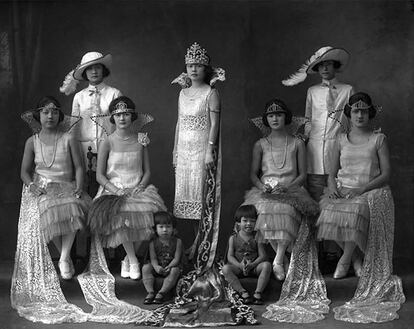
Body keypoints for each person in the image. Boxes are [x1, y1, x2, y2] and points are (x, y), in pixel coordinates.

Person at [315, 92, 405, 322]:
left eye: (364, 111)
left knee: (354, 212)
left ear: (370, 113)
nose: (360, 115)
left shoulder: (378, 139)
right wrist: (332, 186)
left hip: (369, 189)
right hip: (344, 189)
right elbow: (331, 174)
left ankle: (345, 260)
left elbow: (386, 174)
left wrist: (361, 189)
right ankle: (354, 257)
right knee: (329, 214)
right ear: (349, 114)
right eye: (355, 111)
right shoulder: (340, 140)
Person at [11, 96, 89, 323]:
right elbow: (25, 172)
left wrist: (79, 187)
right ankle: (65, 258)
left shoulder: (68, 139)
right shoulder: (31, 141)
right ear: (39, 116)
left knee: (74, 210)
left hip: (66, 186)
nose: (50, 116)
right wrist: (32, 185)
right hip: (42, 188)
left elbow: (79, 167)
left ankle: (64, 257)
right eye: (45, 112)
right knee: (47, 214)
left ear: (59, 116)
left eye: (54, 112)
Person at [87, 96, 166, 280]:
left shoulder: (141, 140)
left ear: (132, 117)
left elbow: (147, 171)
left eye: (126, 114)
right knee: (122, 214)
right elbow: (100, 175)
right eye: (118, 114)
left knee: (146, 214)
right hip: (113, 189)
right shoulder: (107, 142)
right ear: (112, 118)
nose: (122, 118)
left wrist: (140, 186)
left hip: (137, 188)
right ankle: (132, 259)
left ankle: (127, 259)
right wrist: (116, 190)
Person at [244, 99, 319, 281]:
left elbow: (302, 175)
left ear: (286, 118)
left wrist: (287, 187)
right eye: (271, 115)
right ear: (266, 119)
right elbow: (254, 174)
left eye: (279, 115)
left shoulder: (297, 143)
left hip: (291, 190)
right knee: (263, 212)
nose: (275, 119)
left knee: (285, 211)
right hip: (266, 192)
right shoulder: (260, 144)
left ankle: (277, 260)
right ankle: (283, 256)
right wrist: (263, 187)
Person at [172, 42, 225, 250]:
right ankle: (197, 243)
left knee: (203, 198)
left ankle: (200, 246)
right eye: (190, 65)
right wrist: (175, 149)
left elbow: (214, 125)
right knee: (190, 200)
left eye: (198, 65)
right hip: (184, 151)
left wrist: (210, 150)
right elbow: (179, 122)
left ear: (206, 69)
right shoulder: (182, 93)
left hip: (201, 149)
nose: (193, 69)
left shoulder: (211, 93)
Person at [60, 51, 122, 170]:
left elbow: (121, 124)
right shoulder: (79, 97)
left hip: (110, 148)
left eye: (97, 67)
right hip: (84, 149)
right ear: (84, 73)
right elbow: (74, 127)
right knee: (87, 184)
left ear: (103, 70)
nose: (94, 72)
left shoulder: (114, 93)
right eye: (89, 69)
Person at [222, 205, 271, 305]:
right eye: (245, 221)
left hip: (254, 267)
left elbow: (263, 256)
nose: (249, 224)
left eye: (252, 221)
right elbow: (230, 256)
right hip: (239, 268)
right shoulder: (233, 238)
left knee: (267, 265)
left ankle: (258, 293)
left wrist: (253, 265)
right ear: (238, 223)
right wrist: (239, 265)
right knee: (225, 269)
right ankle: (243, 292)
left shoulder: (257, 236)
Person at [142, 211, 183, 304]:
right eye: (161, 227)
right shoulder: (153, 243)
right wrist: (156, 267)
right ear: (155, 229)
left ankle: (161, 292)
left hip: (171, 267)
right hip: (158, 267)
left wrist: (169, 266)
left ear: (173, 228)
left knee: (175, 270)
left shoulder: (178, 241)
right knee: (146, 268)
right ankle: (150, 292)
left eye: (168, 227)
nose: (165, 230)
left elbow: (176, 258)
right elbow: (153, 258)